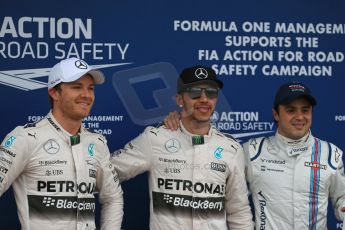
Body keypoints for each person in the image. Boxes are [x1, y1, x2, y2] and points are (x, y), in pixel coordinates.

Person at [164, 81, 345, 229]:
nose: (299, 116)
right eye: (291, 110)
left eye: (305, 110)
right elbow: (210, 173)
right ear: (276, 114)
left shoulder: (330, 154)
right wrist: (183, 126)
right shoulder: (252, 151)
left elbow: (342, 199)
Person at [110, 65, 253, 229]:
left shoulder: (231, 148)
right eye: (195, 92)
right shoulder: (156, 138)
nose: (204, 99)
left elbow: (239, 211)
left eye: (211, 92)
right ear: (179, 99)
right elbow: (108, 172)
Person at [0, 58, 123, 230]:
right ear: (54, 93)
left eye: (91, 88)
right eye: (76, 87)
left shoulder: (97, 142)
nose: (87, 95)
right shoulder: (25, 138)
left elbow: (113, 197)